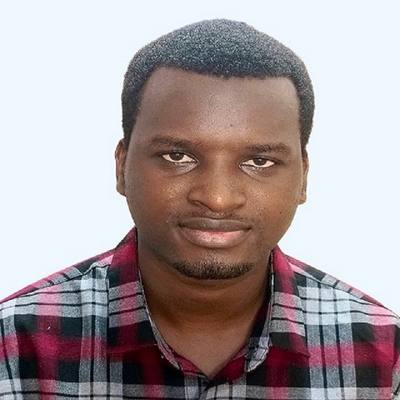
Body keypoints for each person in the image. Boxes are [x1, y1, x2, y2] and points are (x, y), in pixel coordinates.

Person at [0, 19, 399, 400]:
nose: (217, 198)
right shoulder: (13, 346)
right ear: (121, 167)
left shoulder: (385, 356)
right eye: (177, 156)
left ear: (303, 177)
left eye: (259, 161)